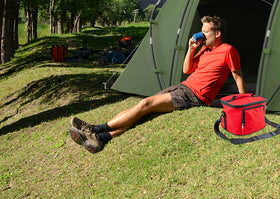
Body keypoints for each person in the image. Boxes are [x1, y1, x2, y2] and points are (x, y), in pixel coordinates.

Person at [68, 15, 246, 153]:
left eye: (205, 32)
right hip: (184, 86)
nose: (200, 35)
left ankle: (94, 129)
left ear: (217, 34)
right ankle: (102, 138)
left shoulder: (228, 51)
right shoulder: (204, 49)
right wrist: (191, 49)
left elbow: (238, 77)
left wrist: (244, 103)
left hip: (196, 96)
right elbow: (187, 70)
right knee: (144, 110)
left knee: (145, 104)